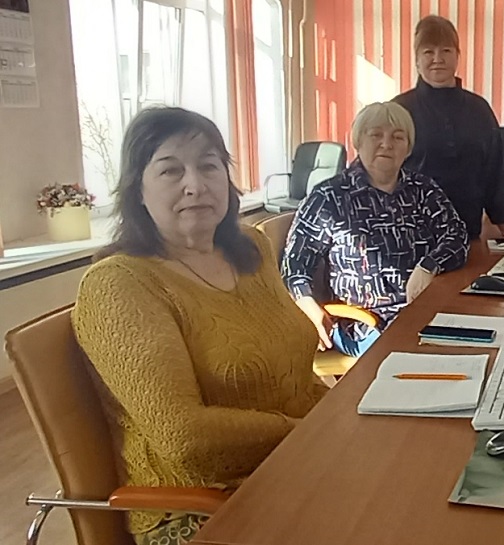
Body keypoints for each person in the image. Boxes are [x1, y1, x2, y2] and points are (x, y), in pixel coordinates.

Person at [72, 107, 327, 545]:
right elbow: (184, 437)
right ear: (137, 191)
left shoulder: (251, 248)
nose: (195, 185)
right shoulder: (119, 284)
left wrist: (340, 418)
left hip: (295, 463)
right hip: (198, 508)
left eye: (209, 165)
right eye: (170, 170)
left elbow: (296, 370)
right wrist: (307, 431)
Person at [283, 101, 469, 357]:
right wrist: (307, 305)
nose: (386, 144)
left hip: (425, 313)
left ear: (408, 148)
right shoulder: (328, 198)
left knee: (478, 345)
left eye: (398, 137)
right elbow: (295, 266)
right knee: (426, 360)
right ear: (358, 142)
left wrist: (429, 265)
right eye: (376, 135)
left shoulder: (423, 190)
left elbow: (457, 236)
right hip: (364, 323)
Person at [393, 14, 504, 241]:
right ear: (417, 60)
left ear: (457, 56)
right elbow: (380, 171)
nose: (437, 59)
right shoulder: (398, 110)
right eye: (428, 52)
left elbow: (493, 170)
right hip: (410, 233)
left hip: (467, 231)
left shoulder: (479, 109)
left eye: (446, 51)